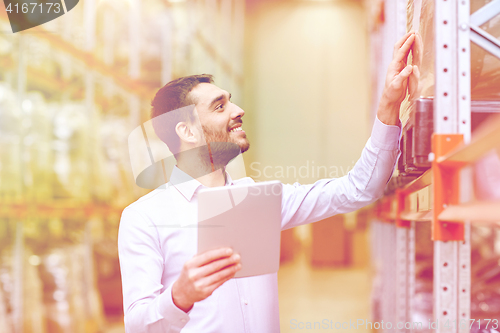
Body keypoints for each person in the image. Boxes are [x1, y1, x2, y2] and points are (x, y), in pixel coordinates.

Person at [118, 32, 420, 333]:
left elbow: (359, 189)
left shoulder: (258, 200)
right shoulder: (144, 218)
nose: (239, 111)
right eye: (220, 106)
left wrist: (389, 106)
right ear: (188, 132)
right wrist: (178, 297)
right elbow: (137, 323)